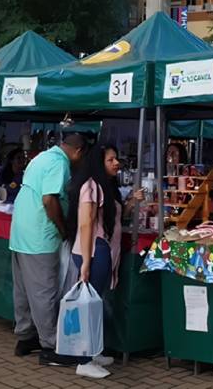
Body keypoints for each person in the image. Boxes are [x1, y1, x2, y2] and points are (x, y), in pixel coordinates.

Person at [9, 134, 87, 367]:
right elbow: (49, 200)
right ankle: (51, 345)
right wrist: (63, 229)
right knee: (44, 292)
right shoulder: (59, 163)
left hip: (21, 232)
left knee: (23, 290)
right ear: (79, 152)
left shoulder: (42, 157)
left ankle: (25, 337)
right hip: (39, 235)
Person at [67, 144, 144, 378]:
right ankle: (84, 360)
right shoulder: (90, 188)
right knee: (89, 305)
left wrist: (131, 202)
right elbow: (86, 224)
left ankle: (93, 352)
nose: (116, 163)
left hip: (99, 250)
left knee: (95, 302)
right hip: (93, 251)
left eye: (116, 159)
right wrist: (87, 264)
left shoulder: (104, 187)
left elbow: (114, 218)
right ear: (98, 162)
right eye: (110, 160)